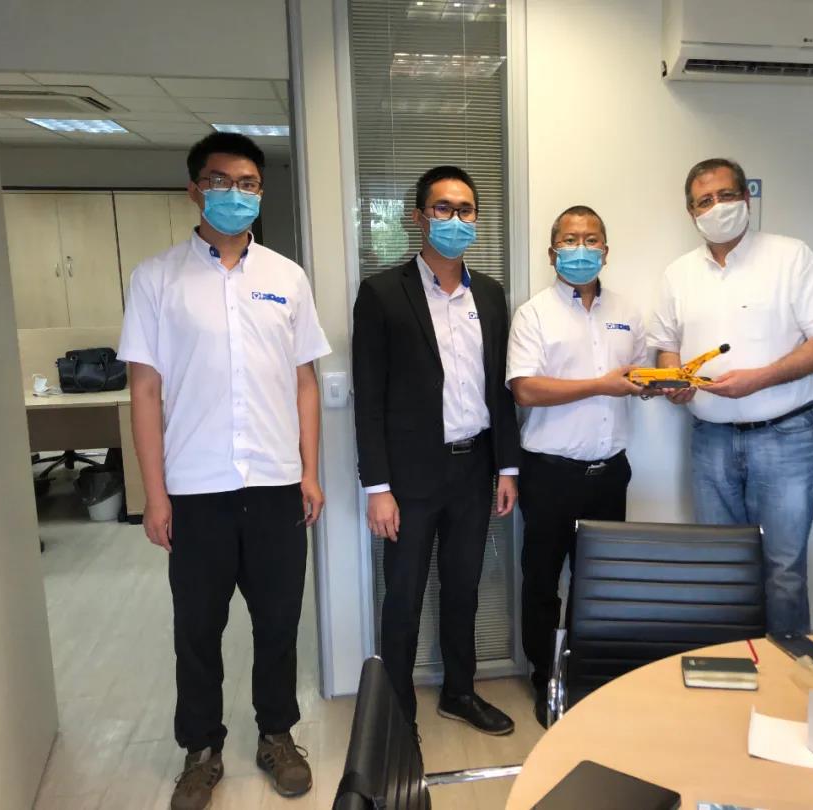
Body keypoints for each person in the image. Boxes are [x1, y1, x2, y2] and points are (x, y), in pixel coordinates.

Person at [118, 132, 331, 810]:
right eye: (221, 181)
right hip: (196, 490)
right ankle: (201, 748)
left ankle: (276, 735)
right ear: (195, 190)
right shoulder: (156, 279)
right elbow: (145, 391)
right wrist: (155, 495)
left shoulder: (287, 278)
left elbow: (304, 383)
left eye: (248, 183)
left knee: (278, 624)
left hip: (274, 487)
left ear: (261, 192)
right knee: (197, 631)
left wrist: (310, 472)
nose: (235, 194)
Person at [648, 158, 813, 636]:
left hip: (784, 437)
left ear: (746, 198)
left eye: (726, 195)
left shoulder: (790, 257)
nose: (716, 207)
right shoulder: (679, 274)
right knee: (721, 568)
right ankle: (731, 665)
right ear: (691, 212)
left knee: (784, 571)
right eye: (704, 201)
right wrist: (674, 382)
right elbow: (666, 347)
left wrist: (759, 379)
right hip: (710, 440)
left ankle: (786, 671)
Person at [352, 165, 521, 735]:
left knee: (464, 587)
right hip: (408, 478)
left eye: (465, 209)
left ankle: (459, 691)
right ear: (418, 217)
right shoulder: (382, 293)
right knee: (402, 594)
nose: (455, 219)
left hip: (475, 469)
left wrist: (506, 466)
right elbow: (369, 397)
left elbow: (499, 387)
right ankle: (396, 710)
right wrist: (377, 487)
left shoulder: (490, 295)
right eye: (443, 208)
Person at [506, 205, 647, 727]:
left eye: (591, 239)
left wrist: (659, 386)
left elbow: (639, 376)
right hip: (550, 474)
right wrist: (600, 385)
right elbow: (525, 389)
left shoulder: (628, 311)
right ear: (552, 253)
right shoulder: (533, 314)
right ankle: (547, 678)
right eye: (570, 240)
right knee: (543, 582)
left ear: (606, 250)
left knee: (598, 582)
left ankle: (586, 673)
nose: (581, 248)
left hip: (610, 473)